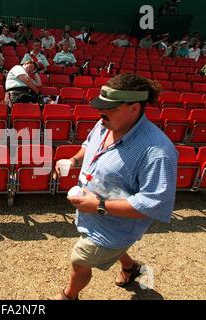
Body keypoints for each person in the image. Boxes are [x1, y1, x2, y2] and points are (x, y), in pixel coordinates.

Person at [52, 73, 178, 300]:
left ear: (134, 108)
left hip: (115, 227)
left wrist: (99, 206)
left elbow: (150, 204)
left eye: (110, 108)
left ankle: (68, 297)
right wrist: (73, 160)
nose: (101, 114)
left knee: (79, 261)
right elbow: (88, 145)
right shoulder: (105, 124)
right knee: (109, 251)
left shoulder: (157, 152)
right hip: (93, 212)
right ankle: (131, 268)